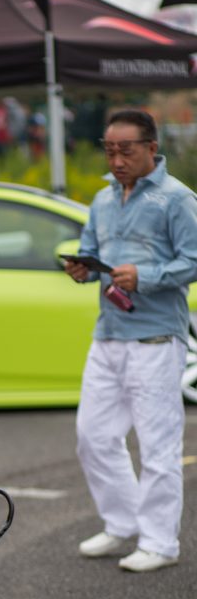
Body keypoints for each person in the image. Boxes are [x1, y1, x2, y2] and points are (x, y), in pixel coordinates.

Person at [64, 108, 197, 573]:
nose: (116, 159)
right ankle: (121, 524)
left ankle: (161, 543)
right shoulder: (102, 200)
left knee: (158, 444)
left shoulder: (177, 199)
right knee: (93, 436)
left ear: (151, 149)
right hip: (109, 332)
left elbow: (194, 260)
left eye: (126, 150)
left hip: (157, 337)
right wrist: (82, 268)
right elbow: (92, 251)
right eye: (109, 150)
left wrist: (148, 276)